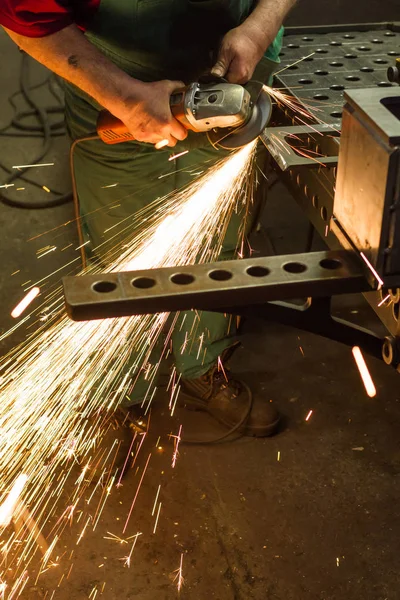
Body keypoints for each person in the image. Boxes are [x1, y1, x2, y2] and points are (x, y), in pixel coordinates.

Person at [1, 0, 295, 439]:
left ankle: (202, 363)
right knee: (120, 249)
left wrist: (260, 26)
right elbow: (25, 16)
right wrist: (121, 96)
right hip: (114, 83)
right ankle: (115, 387)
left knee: (220, 238)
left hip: (238, 68)